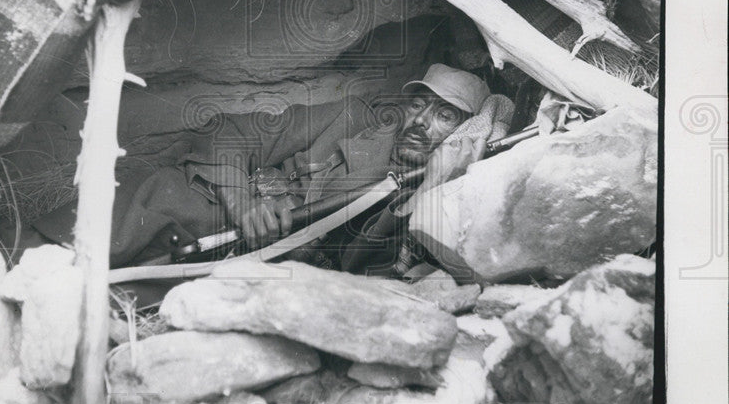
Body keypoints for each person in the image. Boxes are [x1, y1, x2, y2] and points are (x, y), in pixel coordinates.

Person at [102, 64, 513, 275]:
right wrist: (245, 203)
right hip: (192, 208)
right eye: (418, 105)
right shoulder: (351, 120)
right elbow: (230, 132)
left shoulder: (429, 198)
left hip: (240, 269)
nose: (421, 122)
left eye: (444, 115)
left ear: (464, 130)